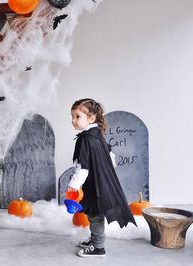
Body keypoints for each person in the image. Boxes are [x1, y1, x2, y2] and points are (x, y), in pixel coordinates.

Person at [67, 98, 136, 258]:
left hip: (97, 185)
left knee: (95, 215)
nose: (73, 121)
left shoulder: (86, 139)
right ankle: (94, 239)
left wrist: (73, 186)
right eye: (72, 117)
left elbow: (82, 167)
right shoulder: (96, 135)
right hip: (100, 182)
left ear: (91, 118)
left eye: (77, 116)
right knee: (94, 213)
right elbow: (111, 158)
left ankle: (98, 247)